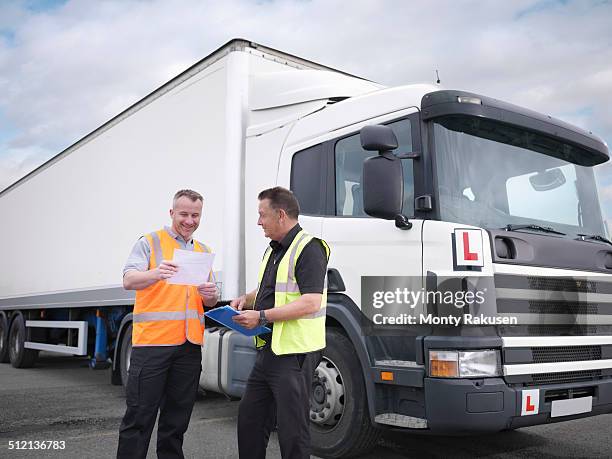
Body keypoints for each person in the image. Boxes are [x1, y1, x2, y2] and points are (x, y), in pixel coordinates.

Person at [117, 189, 218, 459]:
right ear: (172, 213)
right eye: (184, 214)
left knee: (177, 420)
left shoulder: (203, 251)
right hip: (153, 344)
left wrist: (212, 296)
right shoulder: (150, 242)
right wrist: (156, 273)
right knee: (139, 417)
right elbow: (128, 280)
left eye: (195, 215)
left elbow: (208, 300)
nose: (189, 220)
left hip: (189, 346)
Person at [231, 186, 330, 459]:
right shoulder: (274, 249)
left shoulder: (309, 248)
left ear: (281, 215)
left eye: (262, 215)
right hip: (269, 350)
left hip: (294, 355)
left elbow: (311, 301)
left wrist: (261, 316)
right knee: (250, 421)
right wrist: (246, 300)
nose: (258, 222)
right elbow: (267, 290)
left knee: (292, 432)